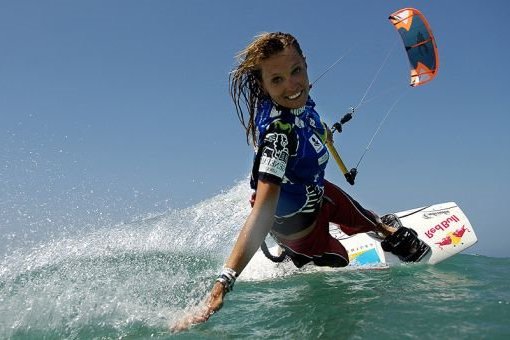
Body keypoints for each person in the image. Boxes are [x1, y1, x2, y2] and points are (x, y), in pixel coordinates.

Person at [174, 32, 427, 330]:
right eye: (277, 80)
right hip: (299, 228)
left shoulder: (304, 103)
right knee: (340, 260)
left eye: (296, 71)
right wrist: (222, 284)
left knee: (364, 216)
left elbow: (310, 119)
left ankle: (381, 230)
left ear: (306, 65)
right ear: (264, 85)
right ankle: (293, 254)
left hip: (318, 194)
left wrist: (323, 133)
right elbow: (261, 215)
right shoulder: (278, 138)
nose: (292, 85)